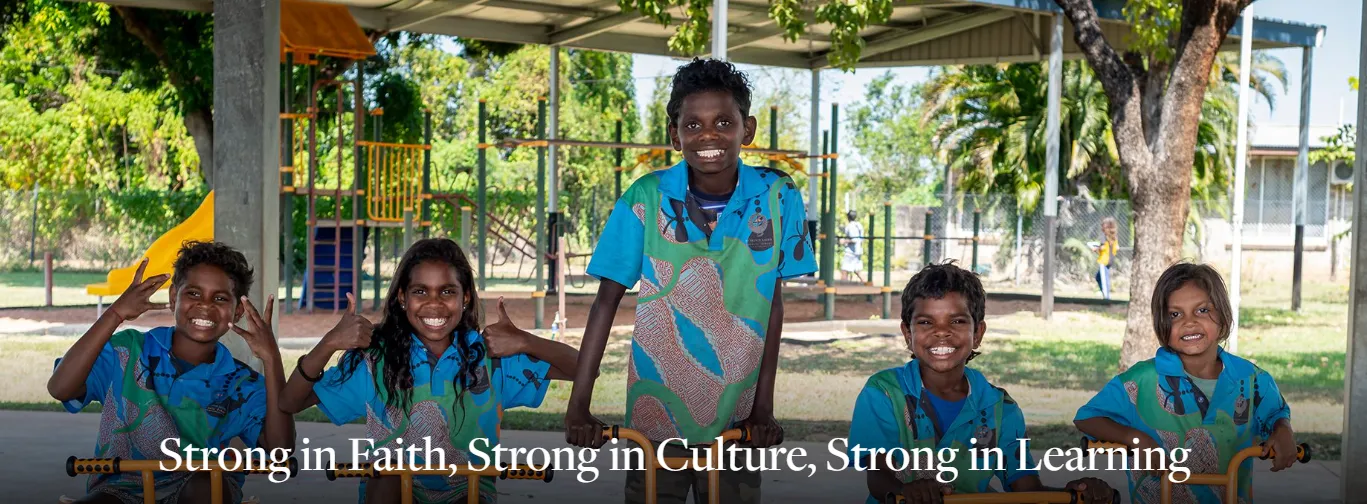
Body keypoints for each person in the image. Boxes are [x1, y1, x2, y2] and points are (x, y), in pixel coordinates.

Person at [563, 57, 817, 504]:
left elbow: (772, 305)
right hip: (655, 417)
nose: (708, 135)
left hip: (738, 422)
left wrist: (763, 407)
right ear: (674, 134)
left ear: (747, 129)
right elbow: (605, 302)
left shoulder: (779, 194)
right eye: (693, 125)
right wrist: (578, 404)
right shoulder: (645, 197)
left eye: (724, 122)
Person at [280, 238, 580, 504]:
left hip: (467, 491)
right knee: (389, 476)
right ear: (402, 297)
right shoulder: (376, 359)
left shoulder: (491, 357)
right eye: (420, 291)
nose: (434, 304)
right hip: (390, 493)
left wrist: (526, 341)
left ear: (465, 297)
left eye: (447, 291)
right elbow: (291, 402)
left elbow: (583, 369)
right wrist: (329, 343)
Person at [48, 241, 294, 504]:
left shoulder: (242, 383)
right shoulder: (127, 350)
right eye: (194, 294)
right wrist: (115, 313)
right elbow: (60, 388)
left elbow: (280, 450)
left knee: (205, 487)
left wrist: (272, 359)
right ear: (174, 297)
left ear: (237, 311)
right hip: (120, 487)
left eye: (220, 298)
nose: (206, 305)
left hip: (202, 487)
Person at [849, 262, 1114, 504]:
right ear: (908, 333)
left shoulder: (1001, 408)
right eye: (926, 322)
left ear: (978, 333)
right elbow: (878, 477)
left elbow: (1026, 488)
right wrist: (907, 490)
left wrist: (1075, 494)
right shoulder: (884, 393)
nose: (941, 332)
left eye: (957, 321)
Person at [1074, 262, 1299, 504]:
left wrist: (1283, 431)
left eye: (1202, 310)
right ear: (1162, 325)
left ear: (1223, 319)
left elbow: (1276, 415)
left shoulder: (1251, 379)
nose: (1189, 322)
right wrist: (1136, 439)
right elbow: (1087, 418)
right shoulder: (1142, 380)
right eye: (1175, 314)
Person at [1091, 217, 1120, 300]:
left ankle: (1107, 298)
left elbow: (1103, 247)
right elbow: (1116, 248)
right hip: (1110, 261)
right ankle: (1105, 294)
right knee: (1098, 277)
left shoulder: (1104, 236)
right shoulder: (1114, 237)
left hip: (1104, 261)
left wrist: (1095, 249)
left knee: (1104, 279)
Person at [841, 210, 866, 283]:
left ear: (848, 217)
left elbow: (854, 239)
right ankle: (865, 283)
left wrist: (844, 241)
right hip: (858, 250)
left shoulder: (850, 226)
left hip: (851, 252)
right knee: (857, 270)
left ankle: (843, 287)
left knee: (844, 270)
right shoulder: (859, 225)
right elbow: (861, 239)